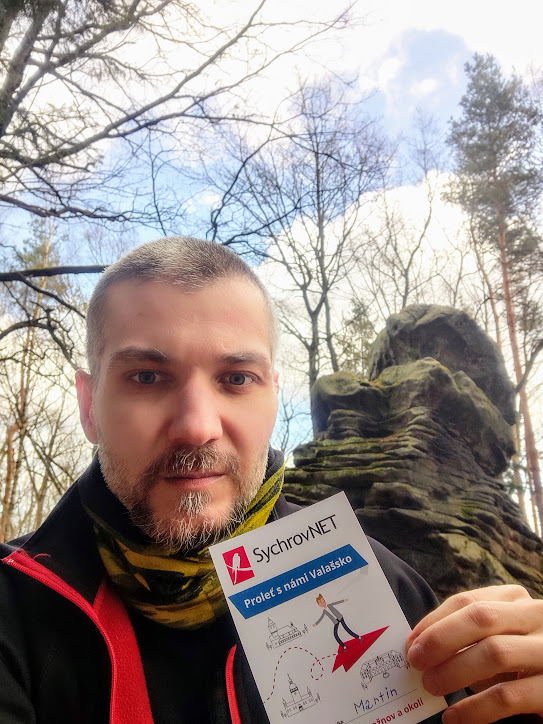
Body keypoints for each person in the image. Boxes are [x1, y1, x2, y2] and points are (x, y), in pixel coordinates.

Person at [0, 236, 541, 724]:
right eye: (147, 377)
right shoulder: (11, 609)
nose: (197, 427)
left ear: (274, 398)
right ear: (89, 406)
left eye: (237, 378)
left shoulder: (384, 585)